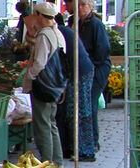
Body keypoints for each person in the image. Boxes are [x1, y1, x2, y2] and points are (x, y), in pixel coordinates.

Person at [66, 0, 111, 155]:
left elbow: (103, 49)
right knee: (83, 105)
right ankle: (84, 142)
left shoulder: (95, 24)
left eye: (83, 5)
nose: (80, 8)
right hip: (82, 68)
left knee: (89, 104)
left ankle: (93, 142)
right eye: (78, 5)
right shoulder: (74, 22)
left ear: (91, 7)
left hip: (96, 69)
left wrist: (90, 64)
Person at [24, 2, 66, 165]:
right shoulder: (57, 33)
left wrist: (29, 76)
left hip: (44, 85)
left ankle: (47, 162)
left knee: (42, 126)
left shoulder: (44, 35)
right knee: (51, 124)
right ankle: (57, 161)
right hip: (56, 85)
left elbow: (40, 63)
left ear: (40, 16)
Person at [52, 24, 94, 162]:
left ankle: (86, 151)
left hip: (80, 72)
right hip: (79, 71)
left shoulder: (57, 33)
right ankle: (76, 148)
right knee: (75, 111)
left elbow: (60, 59)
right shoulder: (62, 31)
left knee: (80, 112)